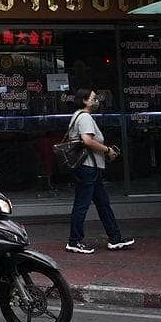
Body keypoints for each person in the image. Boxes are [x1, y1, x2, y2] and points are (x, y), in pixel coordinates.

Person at [64, 90, 132, 253]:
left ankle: (115, 237)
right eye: (93, 98)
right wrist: (107, 150)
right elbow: (87, 140)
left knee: (103, 203)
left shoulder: (77, 116)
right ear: (85, 101)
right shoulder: (85, 117)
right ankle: (74, 241)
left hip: (90, 167)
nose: (96, 101)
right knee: (82, 204)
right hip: (88, 167)